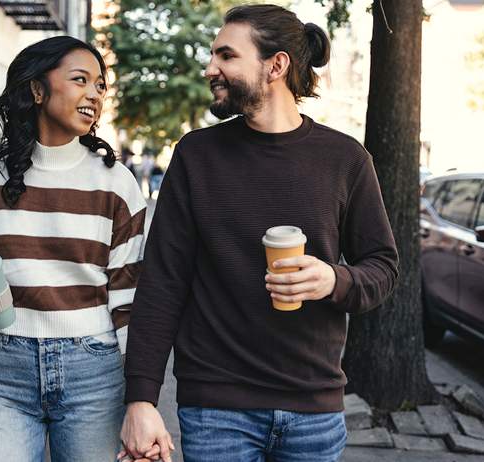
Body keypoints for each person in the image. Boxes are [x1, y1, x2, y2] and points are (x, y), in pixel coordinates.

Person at [119, 5, 399, 462]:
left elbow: (384, 268)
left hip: (314, 410)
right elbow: (162, 283)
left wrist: (334, 280)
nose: (211, 68)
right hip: (216, 409)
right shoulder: (196, 156)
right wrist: (141, 399)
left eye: (226, 56)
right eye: (213, 55)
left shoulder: (346, 159)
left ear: (276, 65)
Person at [0, 36, 146, 461]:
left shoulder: (117, 184)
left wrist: (139, 399)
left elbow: (128, 296)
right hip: (4, 370)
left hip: (95, 369)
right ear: (37, 90)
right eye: (80, 80)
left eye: (101, 85)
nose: (95, 93)